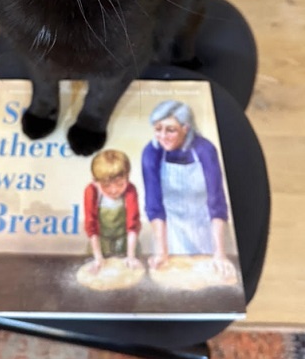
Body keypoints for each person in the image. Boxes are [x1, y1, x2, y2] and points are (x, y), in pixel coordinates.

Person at [141, 100, 234, 275]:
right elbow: (154, 205)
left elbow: (217, 203)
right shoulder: (151, 152)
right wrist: (162, 250)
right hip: (170, 233)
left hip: (207, 231)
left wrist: (219, 253)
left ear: (186, 128)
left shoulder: (205, 150)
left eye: (171, 130)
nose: (162, 136)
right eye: (158, 128)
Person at [83, 149, 142, 273]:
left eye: (120, 184)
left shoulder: (130, 191)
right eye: (106, 186)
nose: (114, 190)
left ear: (127, 177)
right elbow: (91, 224)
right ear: (96, 182)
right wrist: (98, 257)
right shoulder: (91, 191)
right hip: (100, 242)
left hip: (126, 241)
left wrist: (130, 256)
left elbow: (133, 224)